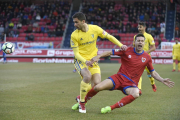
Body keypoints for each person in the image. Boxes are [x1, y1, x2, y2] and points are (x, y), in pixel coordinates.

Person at [81, 33, 174, 114]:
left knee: (136, 93)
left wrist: (162, 79)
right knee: (97, 87)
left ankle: (110, 108)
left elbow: (152, 72)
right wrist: (99, 56)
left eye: (142, 41)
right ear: (135, 42)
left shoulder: (147, 57)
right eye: (138, 41)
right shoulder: (126, 50)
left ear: (144, 43)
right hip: (118, 78)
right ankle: (83, 101)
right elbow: (110, 52)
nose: (140, 42)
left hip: (130, 84)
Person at [70, 12, 127, 113]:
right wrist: (85, 61)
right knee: (87, 77)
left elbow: (109, 36)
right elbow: (76, 54)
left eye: (76, 22)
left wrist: (121, 45)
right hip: (81, 61)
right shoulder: (74, 35)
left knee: (97, 85)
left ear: (83, 21)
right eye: (74, 22)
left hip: (92, 60)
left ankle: (80, 96)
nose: (75, 25)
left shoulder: (95, 29)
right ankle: (82, 103)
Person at [134, 22, 156, 95]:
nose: (139, 28)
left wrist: (146, 52)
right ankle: (139, 89)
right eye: (138, 27)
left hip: (147, 58)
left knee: (150, 73)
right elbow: (134, 47)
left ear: (144, 27)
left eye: (140, 27)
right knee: (138, 73)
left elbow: (153, 47)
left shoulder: (149, 36)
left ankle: (152, 83)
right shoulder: (135, 37)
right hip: (138, 58)